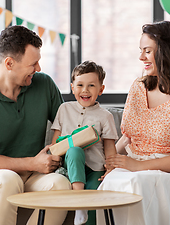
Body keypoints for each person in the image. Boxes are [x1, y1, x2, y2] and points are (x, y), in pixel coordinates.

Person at [96, 21, 170, 225]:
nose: (141, 57)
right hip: (135, 164)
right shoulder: (138, 87)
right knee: (113, 183)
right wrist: (110, 161)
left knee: (136, 183)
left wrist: (139, 166)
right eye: (141, 51)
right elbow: (128, 137)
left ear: (166, 52)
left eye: (147, 51)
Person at [0, 25, 71, 225]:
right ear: (9, 63)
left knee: (60, 184)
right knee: (7, 180)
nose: (38, 68)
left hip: (34, 176)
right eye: (33, 64)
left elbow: (65, 122)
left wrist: (53, 152)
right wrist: (32, 162)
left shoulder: (44, 85)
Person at [51, 61, 118, 225]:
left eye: (91, 85)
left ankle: (85, 214)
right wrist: (53, 162)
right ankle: (79, 203)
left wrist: (111, 168)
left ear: (101, 89)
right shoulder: (64, 109)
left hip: (95, 167)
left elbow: (109, 147)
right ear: (72, 87)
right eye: (80, 85)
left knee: (95, 197)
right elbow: (55, 145)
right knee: (74, 150)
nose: (85, 90)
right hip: (70, 165)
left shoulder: (105, 116)